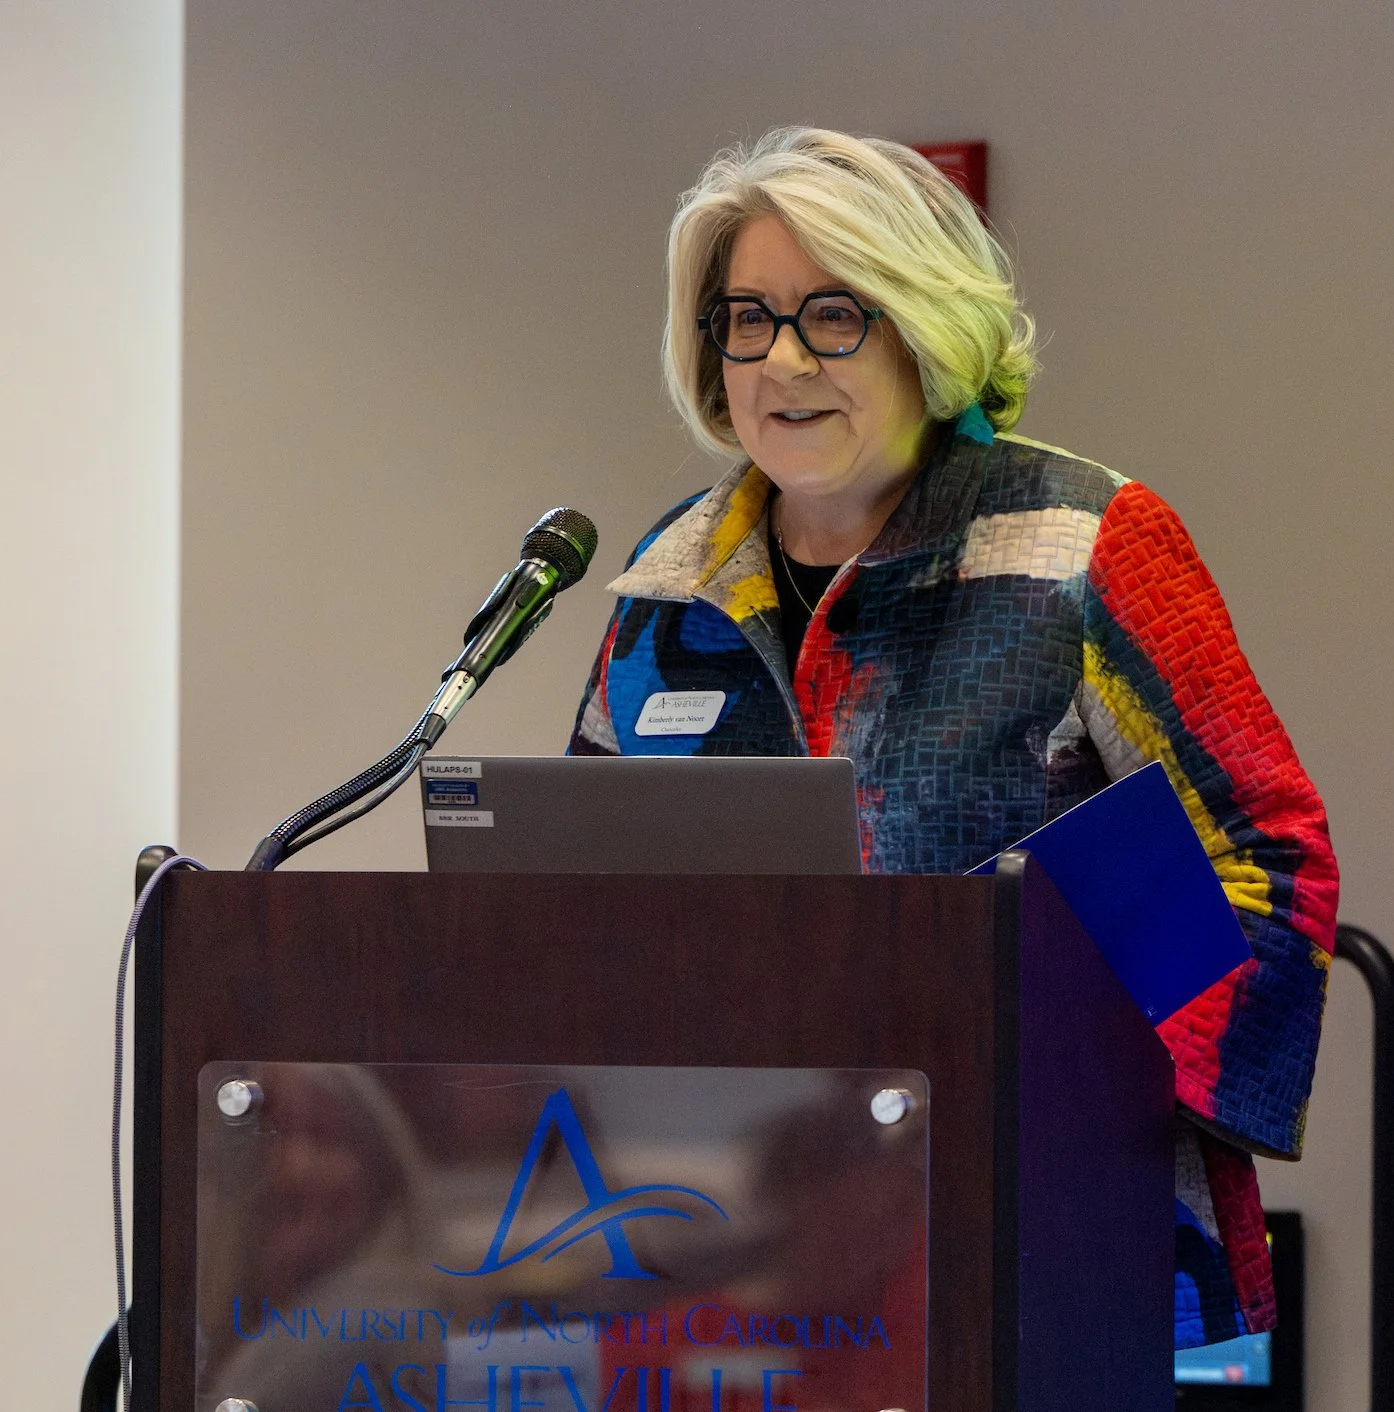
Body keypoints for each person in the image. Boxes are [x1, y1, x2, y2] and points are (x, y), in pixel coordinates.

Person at [567, 126, 1339, 1351]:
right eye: (747, 317)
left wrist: (1067, 1082)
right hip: (734, 1270)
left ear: (925, 329)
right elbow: (572, 908)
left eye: (834, 316)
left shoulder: (1085, 543)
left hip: (1060, 1250)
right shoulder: (672, 583)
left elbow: (1268, 861)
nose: (782, 358)